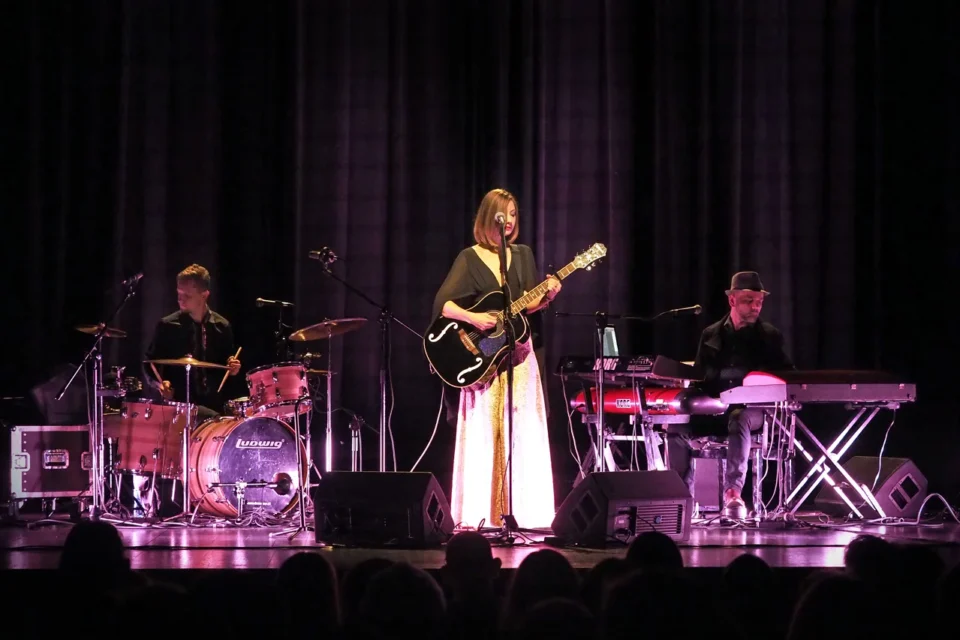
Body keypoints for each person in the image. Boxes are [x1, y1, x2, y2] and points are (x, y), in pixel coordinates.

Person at [431, 188, 560, 530]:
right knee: (485, 431)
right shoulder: (469, 258)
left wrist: (546, 297)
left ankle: (527, 514)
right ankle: (480, 511)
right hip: (484, 361)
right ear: (488, 218)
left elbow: (527, 306)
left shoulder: (522, 255)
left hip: (519, 356)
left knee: (523, 430)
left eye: (514, 215)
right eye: (503, 215)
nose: (509, 222)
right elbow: (444, 305)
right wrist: (475, 319)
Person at [668, 271, 795, 519]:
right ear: (732, 300)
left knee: (739, 417)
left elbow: (786, 374)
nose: (756, 306)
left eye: (759, 301)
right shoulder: (710, 334)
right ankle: (681, 499)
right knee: (676, 422)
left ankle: (733, 494)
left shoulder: (769, 335)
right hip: (716, 405)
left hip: (755, 409)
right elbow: (700, 375)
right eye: (749, 300)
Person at [143, 264, 241, 420]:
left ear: (204, 295)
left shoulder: (222, 326)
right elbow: (148, 363)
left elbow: (227, 365)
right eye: (178, 294)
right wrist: (160, 384)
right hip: (178, 409)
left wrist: (233, 367)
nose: (180, 299)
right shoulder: (167, 325)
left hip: (214, 409)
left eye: (187, 295)